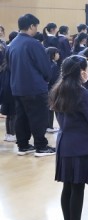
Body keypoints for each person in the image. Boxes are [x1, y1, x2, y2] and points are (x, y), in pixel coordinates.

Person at [50, 55, 88, 220]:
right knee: (78, 188)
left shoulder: (57, 90)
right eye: (87, 69)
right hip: (81, 144)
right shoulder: (84, 95)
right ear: (81, 72)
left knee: (68, 187)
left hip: (64, 142)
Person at [6, 13, 56, 157]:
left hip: (17, 87)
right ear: (31, 26)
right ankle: (41, 146)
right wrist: (47, 79)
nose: (36, 29)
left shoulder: (12, 44)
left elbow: (9, 66)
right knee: (39, 117)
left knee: (21, 117)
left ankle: (23, 145)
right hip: (34, 88)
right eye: (36, 26)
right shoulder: (34, 44)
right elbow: (45, 67)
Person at [46, 47, 61, 133]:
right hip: (52, 89)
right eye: (57, 53)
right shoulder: (54, 66)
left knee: (49, 108)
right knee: (52, 108)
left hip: (47, 89)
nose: (58, 55)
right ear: (53, 55)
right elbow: (54, 79)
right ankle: (49, 126)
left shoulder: (46, 64)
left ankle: (49, 125)